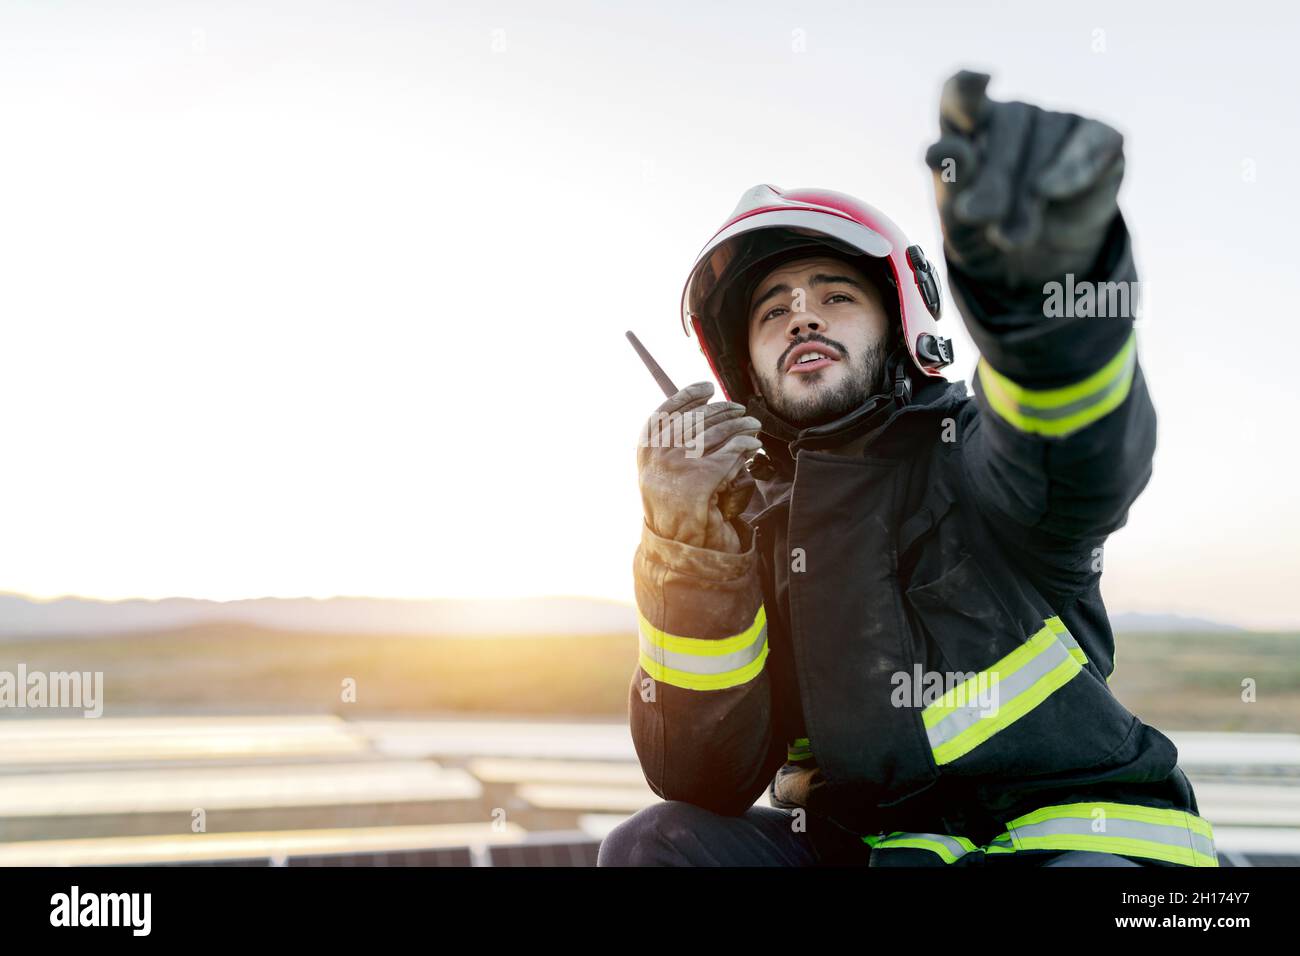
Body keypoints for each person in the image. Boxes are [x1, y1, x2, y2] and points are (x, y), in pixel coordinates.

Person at [598, 70, 1217, 868]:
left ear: (901, 328)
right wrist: (686, 550)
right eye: (772, 309)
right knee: (656, 846)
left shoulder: (973, 453)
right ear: (743, 366)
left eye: (835, 294)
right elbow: (700, 776)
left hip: (1071, 843)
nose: (804, 315)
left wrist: (1035, 310)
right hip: (873, 855)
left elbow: (1072, 450)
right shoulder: (740, 532)